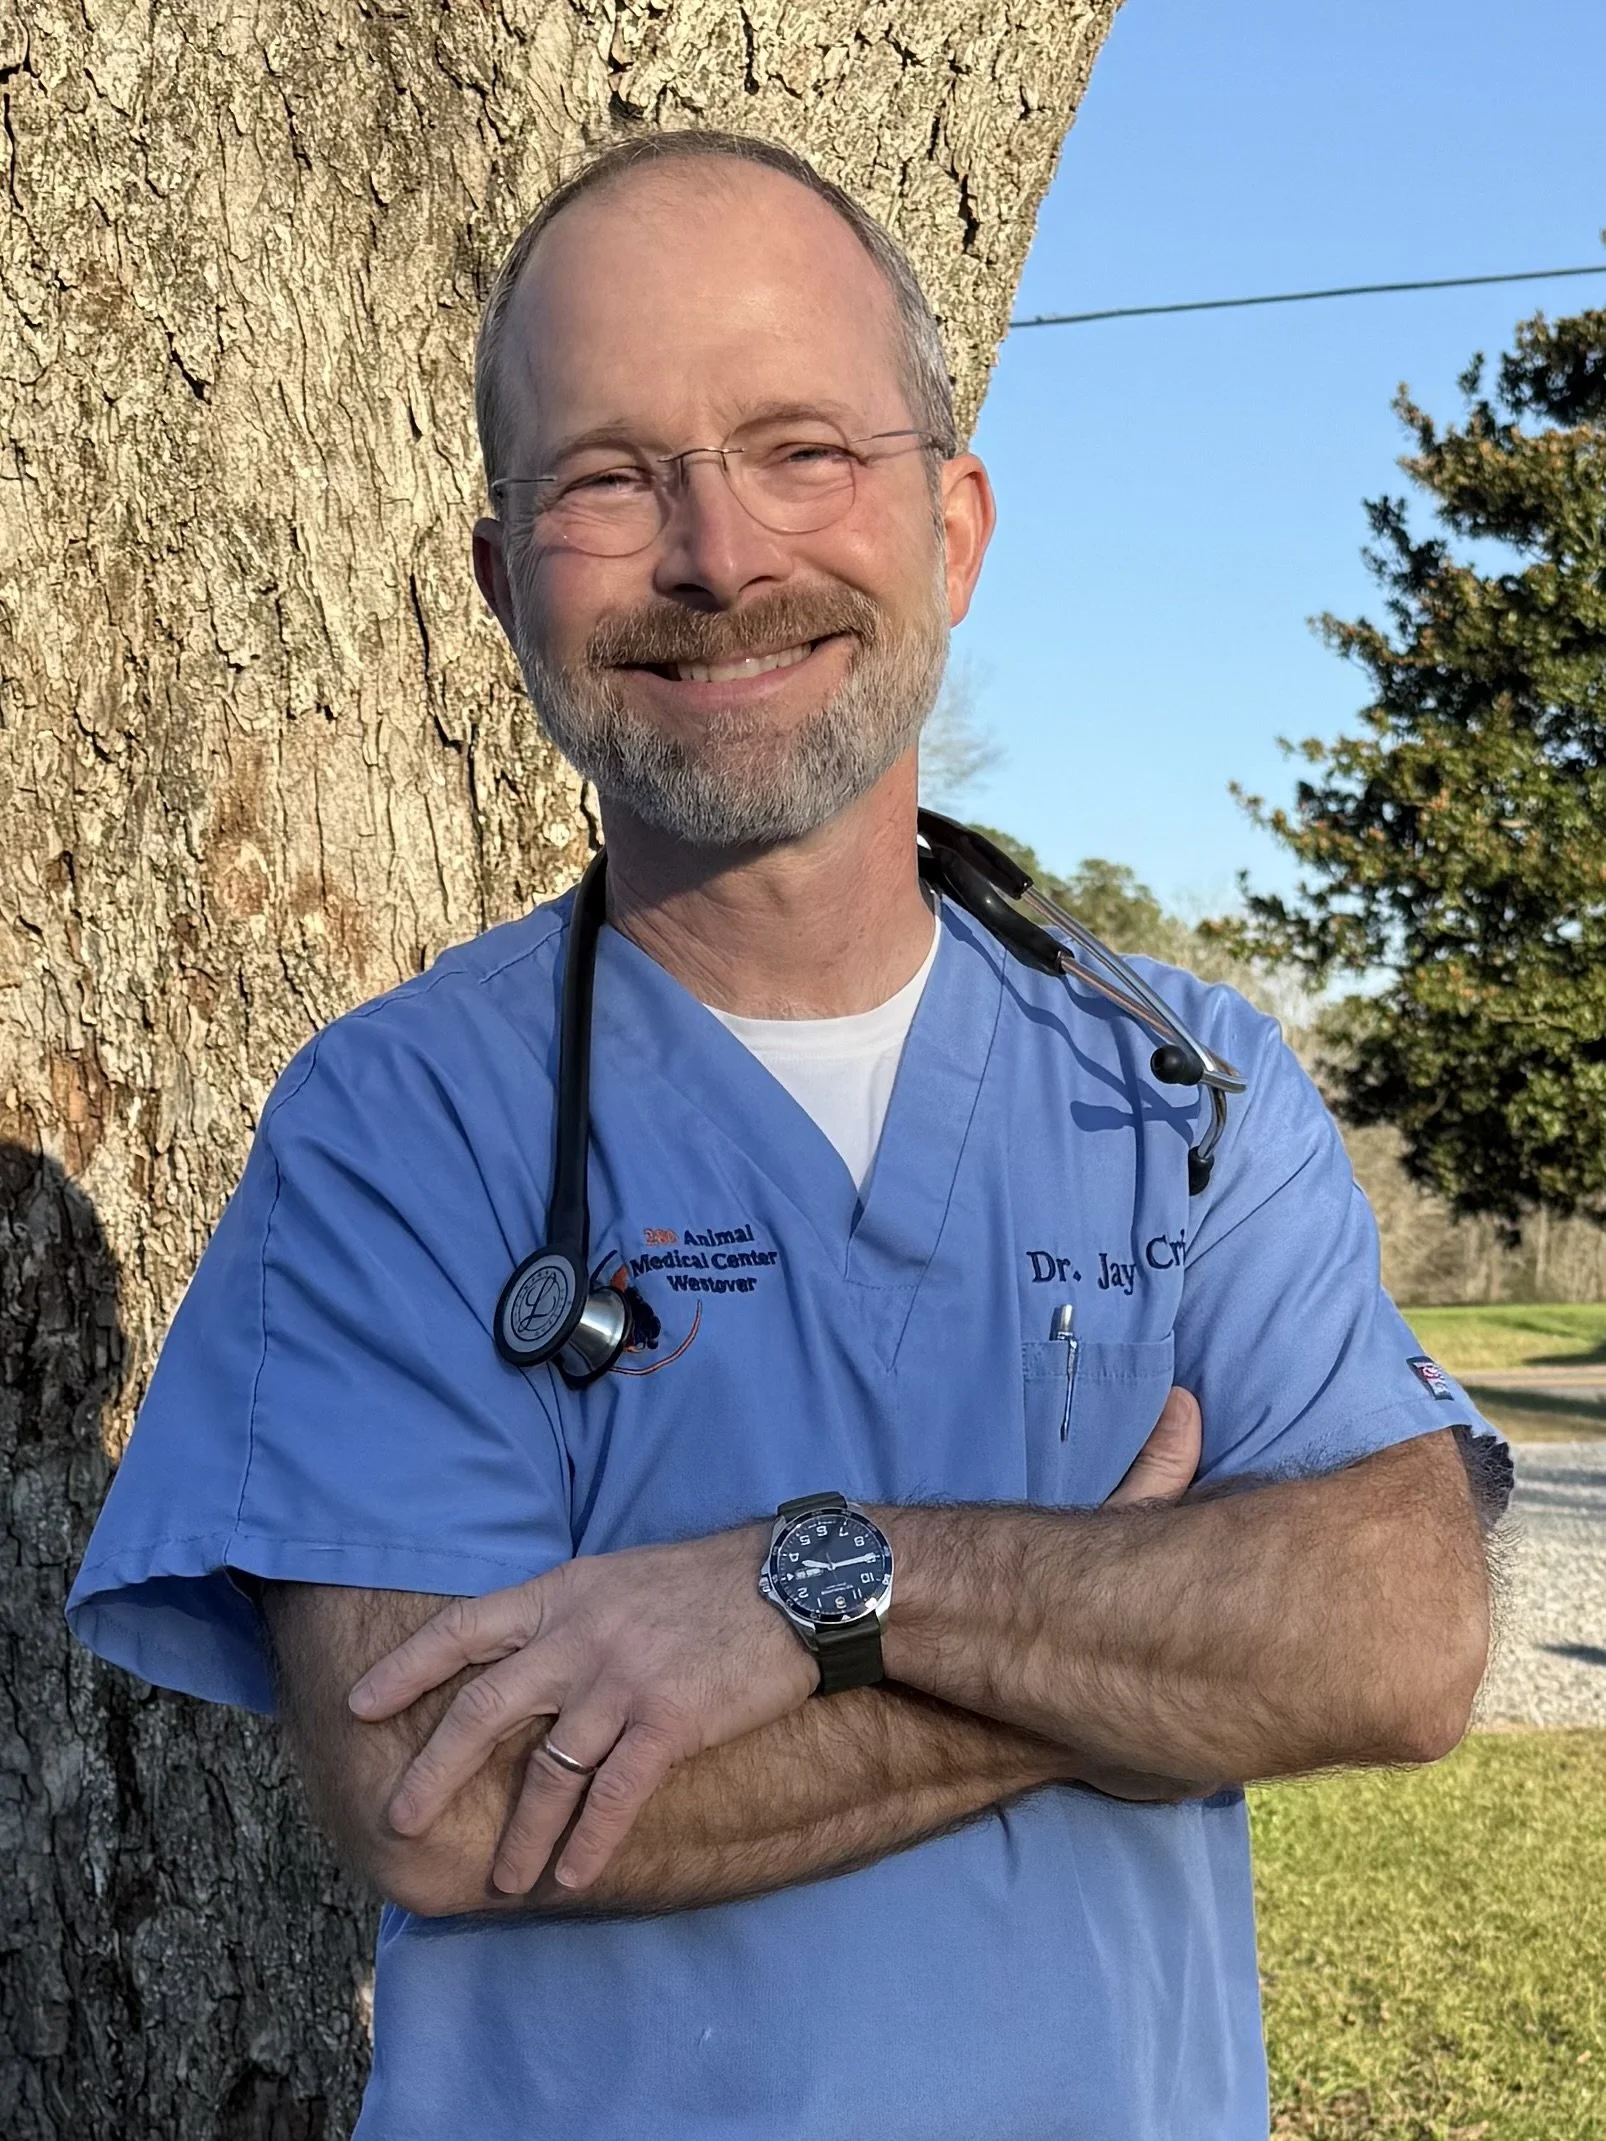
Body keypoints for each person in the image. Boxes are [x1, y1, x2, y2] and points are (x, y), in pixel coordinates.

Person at [68, 131, 1508, 2140]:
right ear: (501, 583)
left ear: (952, 525)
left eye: (801, 449)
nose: (719, 556)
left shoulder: (1182, 1086)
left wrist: (814, 1589)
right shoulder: (395, 1125)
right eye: (606, 476)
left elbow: (1396, 1638)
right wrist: (1127, 1649)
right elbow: (449, 1796)